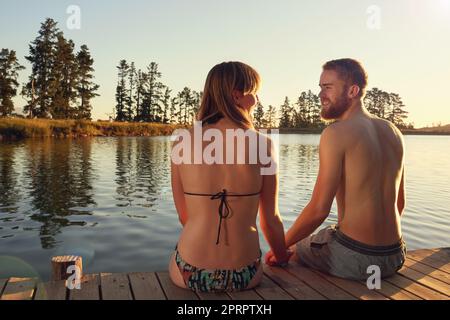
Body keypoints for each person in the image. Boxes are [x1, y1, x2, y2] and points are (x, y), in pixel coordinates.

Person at [266, 58, 406, 280]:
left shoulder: (336, 133)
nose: (320, 95)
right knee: (328, 232)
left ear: (352, 90)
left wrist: (279, 248)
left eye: (328, 88)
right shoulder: (393, 132)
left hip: (357, 259)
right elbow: (399, 204)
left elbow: (318, 210)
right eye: (320, 87)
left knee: (286, 255)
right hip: (394, 256)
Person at [169, 61, 290, 292]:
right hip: (245, 273)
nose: (256, 100)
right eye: (254, 93)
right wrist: (282, 257)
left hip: (189, 270)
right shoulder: (262, 144)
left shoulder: (182, 141)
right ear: (236, 96)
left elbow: (184, 217)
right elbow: (270, 220)